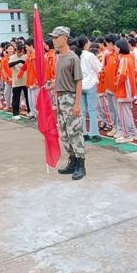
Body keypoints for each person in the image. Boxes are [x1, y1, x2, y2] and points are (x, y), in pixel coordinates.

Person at [48, 26, 86, 180]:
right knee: (64, 133)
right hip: (60, 97)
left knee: (75, 132)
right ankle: (72, 161)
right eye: (53, 37)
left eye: (56, 37)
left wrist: (77, 104)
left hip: (70, 99)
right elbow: (62, 80)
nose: (54, 40)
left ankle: (81, 165)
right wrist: (52, 86)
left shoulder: (72, 58)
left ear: (65, 38)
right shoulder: (59, 57)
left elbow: (78, 82)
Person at [76, 35, 102, 142]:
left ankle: (84, 133)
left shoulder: (76, 55)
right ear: (86, 43)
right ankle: (94, 133)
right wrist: (101, 59)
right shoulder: (90, 55)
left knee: (82, 110)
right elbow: (99, 68)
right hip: (90, 84)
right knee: (92, 110)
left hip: (80, 84)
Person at [114, 38, 137, 143]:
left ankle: (128, 134)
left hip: (124, 90)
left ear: (120, 48)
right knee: (127, 113)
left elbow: (122, 75)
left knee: (124, 114)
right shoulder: (129, 57)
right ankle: (133, 133)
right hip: (127, 90)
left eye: (116, 47)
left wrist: (116, 83)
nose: (115, 49)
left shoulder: (124, 59)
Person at [9, 43, 30, 119]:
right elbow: (10, 65)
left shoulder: (26, 56)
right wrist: (19, 61)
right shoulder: (12, 57)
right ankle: (15, 113)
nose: (20, 53)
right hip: (16, 81)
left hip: (25, 80)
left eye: (22, 52)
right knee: (16, 97)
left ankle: (30, 111)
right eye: (19, 51)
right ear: (16, 50)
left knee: (28, 97)